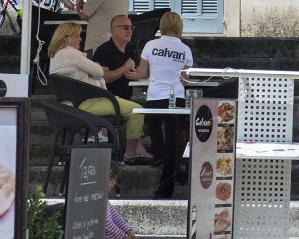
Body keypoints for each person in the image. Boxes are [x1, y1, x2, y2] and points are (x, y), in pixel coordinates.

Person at [49, 22, 152, 164]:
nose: (80, 39)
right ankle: (130, 152)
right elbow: (99, 72)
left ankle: (133, 147)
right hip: (88, 104)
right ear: (66, 38)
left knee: (132, 111)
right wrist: (96, 67)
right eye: (77, 36)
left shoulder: (56, 55)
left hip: (73, 104)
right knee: (137, 111)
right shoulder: (70, 53)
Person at [133, 11, 193, 198]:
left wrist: (131, 73)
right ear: (179, 27)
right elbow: (185, 80)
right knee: (174, 137)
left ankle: (160, 155)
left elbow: (142, 73)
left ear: (162, 25)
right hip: (177, 96)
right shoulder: (185, 50)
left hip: (156, 95)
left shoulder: (150, 45)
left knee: (153, 126)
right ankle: (170, 175)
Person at [92, 15, 140, 102]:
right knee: (140, 112)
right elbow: (103, 78)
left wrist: (136, 74)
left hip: (128, 98)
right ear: (113, 30)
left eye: (131, 27)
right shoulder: (103, 51)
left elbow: (138, 70)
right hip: (108, 99)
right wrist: (125, 68)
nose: (129, 31)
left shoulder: (130, 50)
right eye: (125, 28)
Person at [103, 163, 136, 239]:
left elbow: (115, 216)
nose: (114, 183)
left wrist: (128, 230)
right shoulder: (97, 199)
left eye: (115, 180)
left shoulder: (104, 199)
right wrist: (123, 237)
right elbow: (106, 222)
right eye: (111, 179)